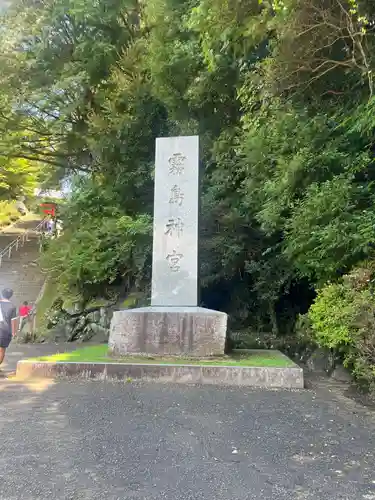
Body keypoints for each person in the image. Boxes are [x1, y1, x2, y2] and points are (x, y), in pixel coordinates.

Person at [0, 288, 17, 366]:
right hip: (5, 331)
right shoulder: (12, 306)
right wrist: (14, 332)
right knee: (2, 351)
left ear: (2, 294)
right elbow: (13, 321)